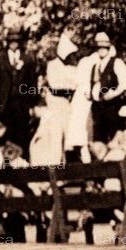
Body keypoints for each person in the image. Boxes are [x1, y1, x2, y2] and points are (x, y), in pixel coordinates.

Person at [34, 31, 81, 165]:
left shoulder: (72, 67)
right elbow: (54, 85)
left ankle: (69, 166)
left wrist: (71, 87)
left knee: (70, 136)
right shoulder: (52, 65)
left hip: (68, 105)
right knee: (56, 135)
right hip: (55, 103)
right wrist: (70, 87)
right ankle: (56, 165)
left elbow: (76, 82)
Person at [83, 31, 126, 147]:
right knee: (99, 141)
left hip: (112, 107)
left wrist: (114, 93)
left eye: (104, 47)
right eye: (99, 47)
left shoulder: (117, 62)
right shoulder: (95, 66)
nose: (101, 49)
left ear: (109, 47)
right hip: (98, 108)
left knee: (114, 139)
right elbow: (94, 85)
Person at [0, 30, 37, 151]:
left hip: (21, 103)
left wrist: (32, 104)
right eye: (11, 41)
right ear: (7, 42)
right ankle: (7, 164)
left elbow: (32, 84)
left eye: (16, 41)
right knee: (6, 134)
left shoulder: (27, 59)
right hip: (5, 104)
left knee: (21, 134)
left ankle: (22, 163)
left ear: (20, 42)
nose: (14, 43)